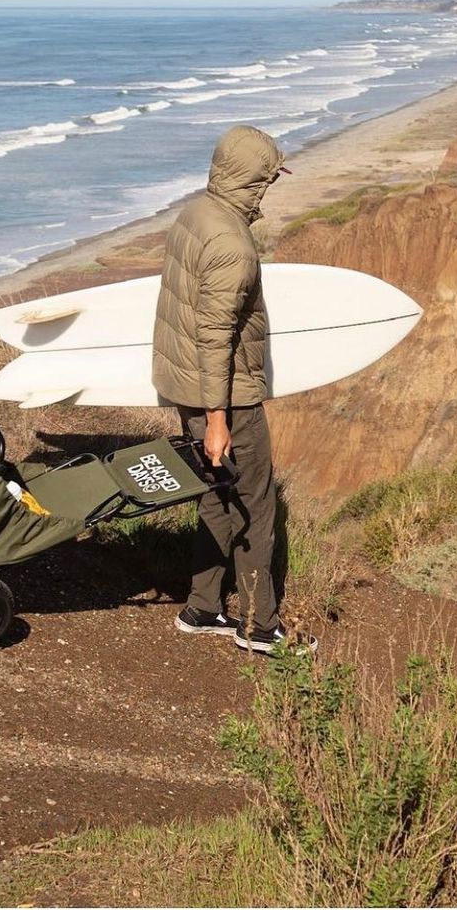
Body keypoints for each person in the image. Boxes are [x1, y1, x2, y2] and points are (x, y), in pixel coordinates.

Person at [152, 125, 316, 654]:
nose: (267, 191)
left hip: (188, 386)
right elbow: (215, 335)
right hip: (227, 397)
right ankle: (260, 626)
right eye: (264, 182)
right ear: (250, 180)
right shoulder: (232, 245)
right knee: (256, 507)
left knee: (217, 499)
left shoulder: (196, 212)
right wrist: (219, 419)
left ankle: (202, 607)